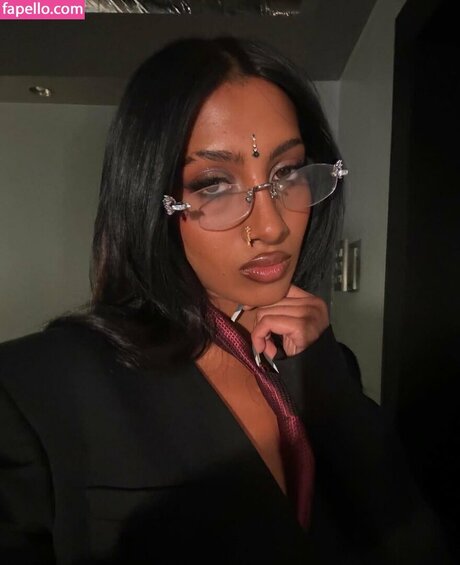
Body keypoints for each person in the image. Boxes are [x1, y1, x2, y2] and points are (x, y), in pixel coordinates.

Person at [0, 37, 452, 565]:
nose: (272, 226)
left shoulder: (321, 363)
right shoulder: (33, 389)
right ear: (147, 199)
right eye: (214, 184)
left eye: (287, 173)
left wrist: (327, 379)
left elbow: (412, 540)